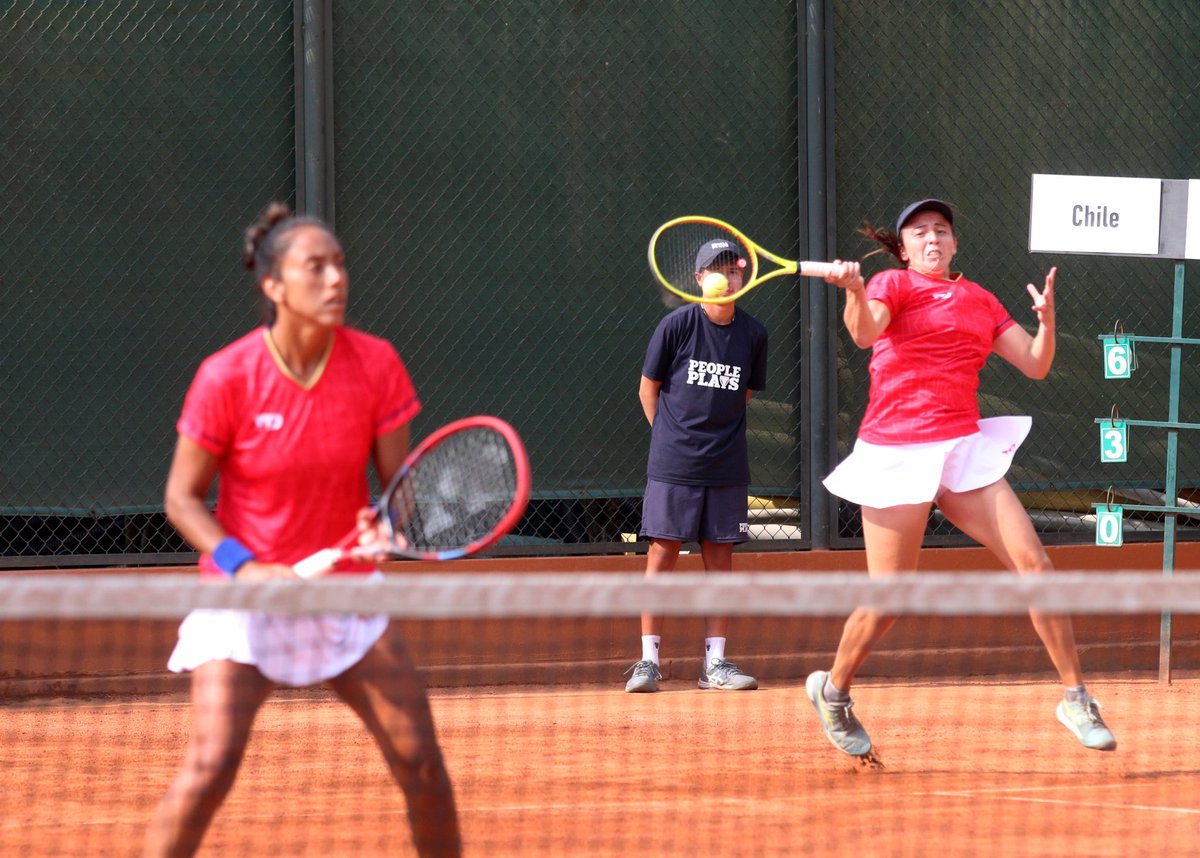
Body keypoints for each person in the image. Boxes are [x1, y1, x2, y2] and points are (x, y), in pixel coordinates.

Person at [143, 203, 462, 857]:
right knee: (211, 766)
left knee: (423, 767)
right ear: (274, 285)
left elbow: (398, 491)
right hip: (244, 597)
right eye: (315, 267)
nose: (336, 279)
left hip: (343, 590)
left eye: (340, 264)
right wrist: (245, 566)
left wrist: (387, 526)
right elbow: (181, 498)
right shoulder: (226, 376)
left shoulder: (375, 364)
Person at [806, 198, 1116, 756]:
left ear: (954, 244)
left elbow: (1036, 363)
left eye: (941, 231)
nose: (932, 238)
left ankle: (1076, 697)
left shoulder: (980, 300)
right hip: (898, 450)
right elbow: (863, 333)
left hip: (963, 451)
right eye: (920, 232)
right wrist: (854, 290)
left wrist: (1047, 323)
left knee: (1036, 566)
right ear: (903, 249)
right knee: (891, 596)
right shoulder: (891, 284)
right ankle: (833, 690)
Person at [624, 238, 768, 693]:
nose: (727, 277)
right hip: (674, 463)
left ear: (743, 278)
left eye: (734, 269)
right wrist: (669, 440)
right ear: (700, 279)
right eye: (716, 269)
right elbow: (649, 389)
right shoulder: (676, 326)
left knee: (719, 558)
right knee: (662, 554)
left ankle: (716, 664)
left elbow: (743, 396)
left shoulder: (754, 334)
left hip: (726, 465)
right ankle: (648, 662)